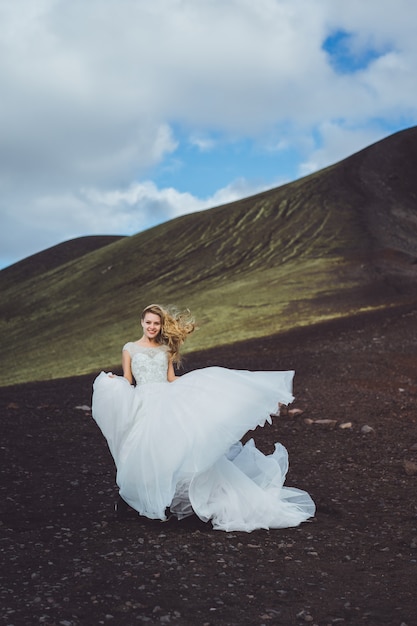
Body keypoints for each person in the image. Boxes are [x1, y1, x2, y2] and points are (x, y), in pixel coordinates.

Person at [92, 303, 315, 532]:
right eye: (148, 322)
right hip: (143, 403)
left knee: (171, 451)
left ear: (161, 326)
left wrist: (201, 384)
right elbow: (129, 380)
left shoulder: (165, 349)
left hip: (166, 401)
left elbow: (171, 379)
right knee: (143, 453)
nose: (152, 327)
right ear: (141, 323)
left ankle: (162, 503)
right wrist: (112, 381)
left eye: (156, 323)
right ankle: (139, 500)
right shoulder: (129, 348)